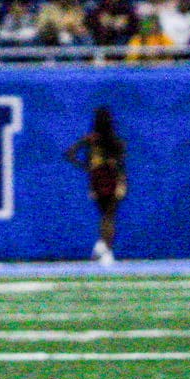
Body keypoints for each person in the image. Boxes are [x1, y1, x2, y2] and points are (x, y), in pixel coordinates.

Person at [65, 107, 127, 265]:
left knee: (104, 215)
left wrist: (86, 166)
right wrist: (122, 184)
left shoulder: (91, 139)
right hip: (111, 177)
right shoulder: (116, 141)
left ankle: (102, 246)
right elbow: (121, 166)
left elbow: (70, 153)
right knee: (109, 216)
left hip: (97, 178)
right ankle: (105, 249)